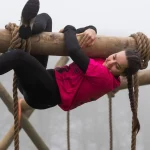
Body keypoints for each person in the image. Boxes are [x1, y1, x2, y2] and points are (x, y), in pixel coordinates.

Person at [2, 2, 141, 133]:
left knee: (18, 56)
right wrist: (92, 29)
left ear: (122, 73)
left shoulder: (104, 77)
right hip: (43, 80)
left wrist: (69, 28)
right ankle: (28, 29)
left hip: (45, 93)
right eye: (114, 56)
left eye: (117, 66)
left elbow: (73, 50)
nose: (110, 62)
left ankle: (24, 35)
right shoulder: (103, 60)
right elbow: (79, 36)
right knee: (46, 19)